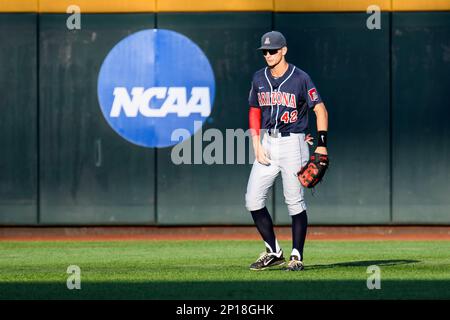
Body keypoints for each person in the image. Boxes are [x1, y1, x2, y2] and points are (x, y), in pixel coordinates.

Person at [245, 31, 329, 271]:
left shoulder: (300, 78)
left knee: (294, 201)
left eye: (273, 50)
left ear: (284, 50)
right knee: (252, 199)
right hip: (268, 143)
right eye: (265, 51)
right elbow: (254, 110)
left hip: (294, 143)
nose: (268, 55)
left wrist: (321, 142)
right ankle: (273, 251)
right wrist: (256, 142)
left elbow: (320, 110)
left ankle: (296, 256)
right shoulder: (258, 77)